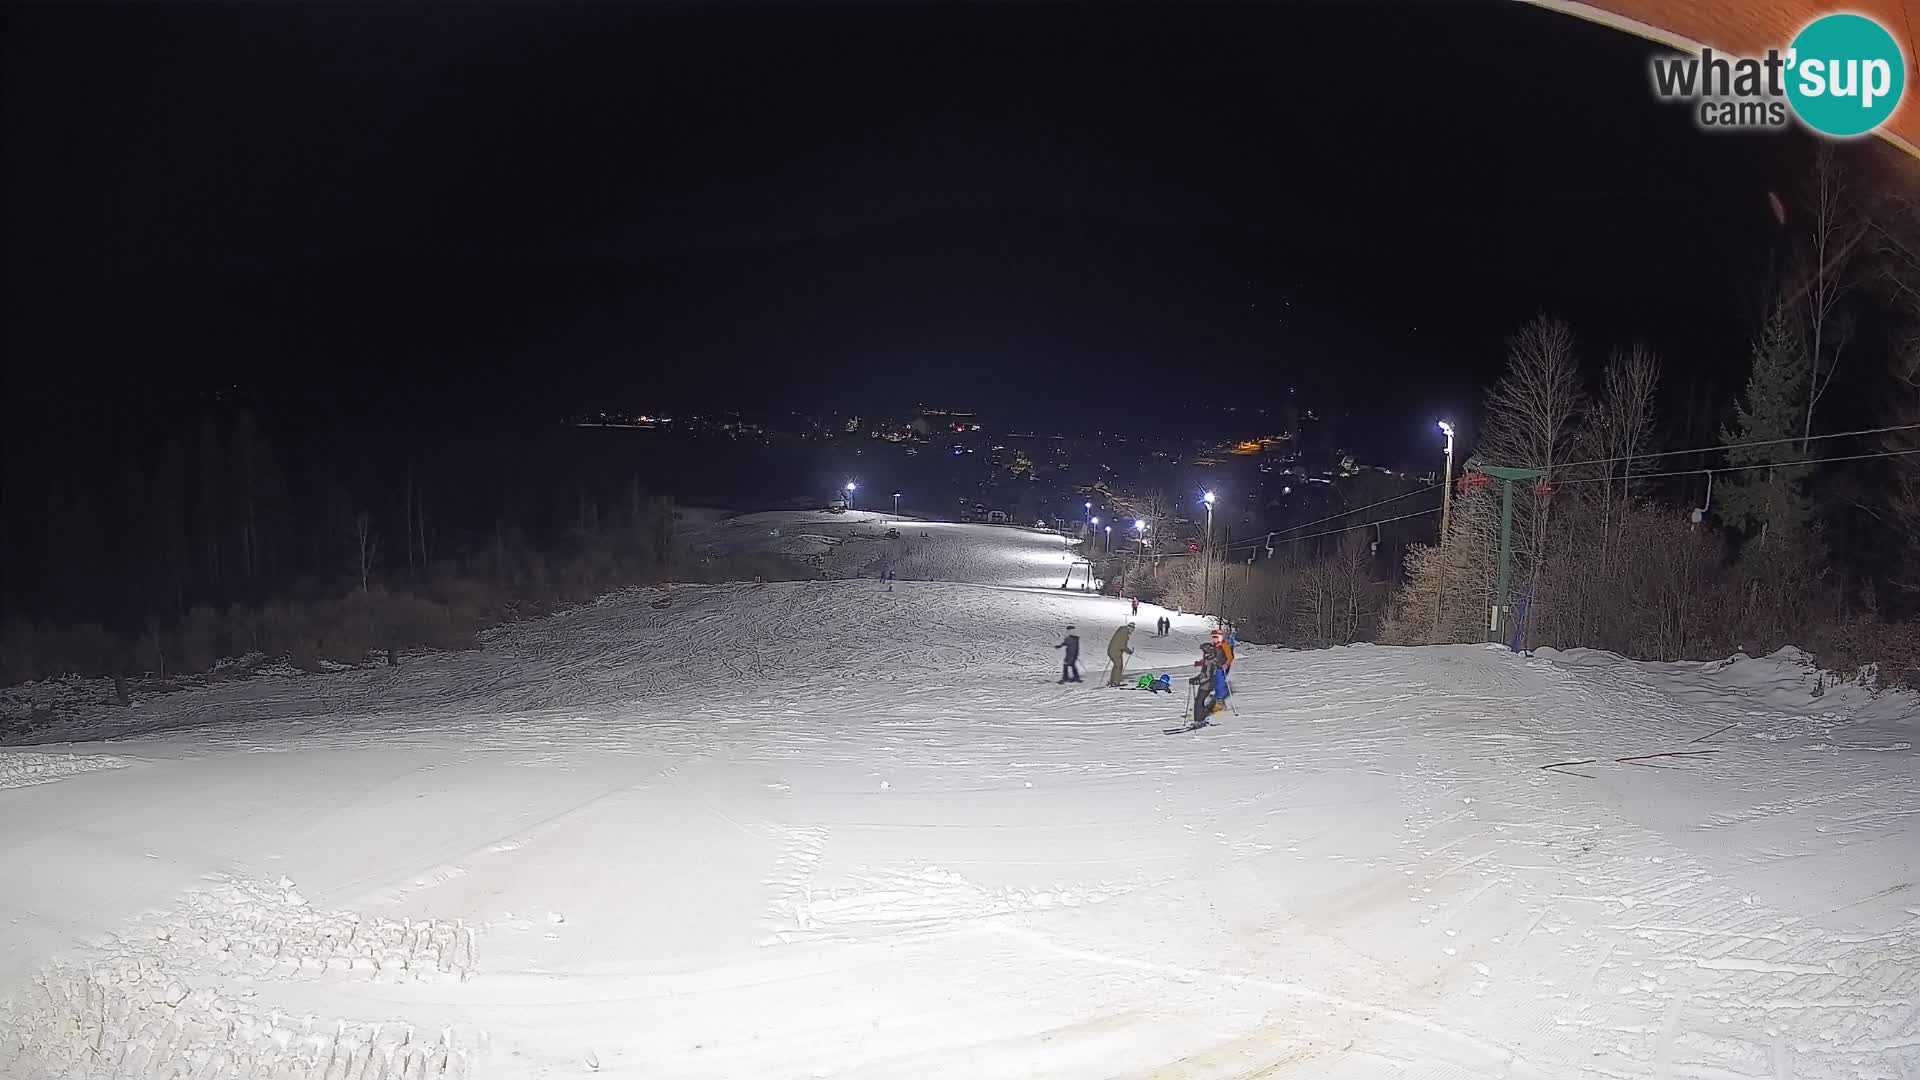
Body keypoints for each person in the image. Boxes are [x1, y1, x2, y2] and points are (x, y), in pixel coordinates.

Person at [1189, 641, 1227, 726]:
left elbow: (1208, 676)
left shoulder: (1211, 661)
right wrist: (1196, 678)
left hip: (1208, 683)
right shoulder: (1208, 659)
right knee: (1199, 700)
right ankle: (1200, 718)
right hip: (1206, 683)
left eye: (1204, 650)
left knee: (1199, 701)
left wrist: (1198, 681)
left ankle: (1199, 720)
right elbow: (1203, 673)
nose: (1204, 652)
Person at [1105, 622, 1136, 686]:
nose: (1132, 632)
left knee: (1117, 665)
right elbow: (1122, 645)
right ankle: (1115, 682)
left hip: (1113, 650)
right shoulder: (1124, 633)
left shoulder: (1121, 630)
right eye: (1132, 630)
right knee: (1119, 666)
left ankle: (1113, 680)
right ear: (1130, 628)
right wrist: (1129, 651)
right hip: (1115, 652)